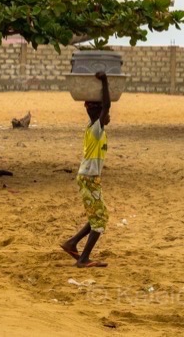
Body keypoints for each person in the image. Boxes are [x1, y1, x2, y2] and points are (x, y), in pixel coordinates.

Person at [61, 71, 111, 268]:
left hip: (89, 177)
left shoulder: (92, 128)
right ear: (98, 113)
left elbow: (104, 108)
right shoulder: (96, 131)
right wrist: (105, 81)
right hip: (89, 178)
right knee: (99, 220)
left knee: (99, 215)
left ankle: (72, 243)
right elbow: (106, 105)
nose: (108, 116)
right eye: (105, 114)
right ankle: (83, 259)